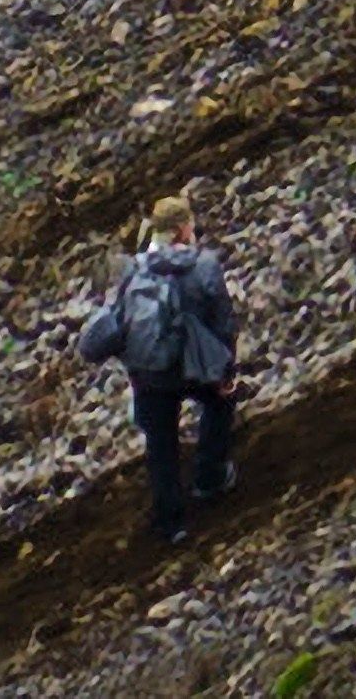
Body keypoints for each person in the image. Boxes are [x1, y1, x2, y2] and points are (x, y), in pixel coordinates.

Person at [72, 191, 242, 547]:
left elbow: (119, 319)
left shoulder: (133, 269)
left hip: (149, 374)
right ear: (183, 229)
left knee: (160, 444)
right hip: (196, 368)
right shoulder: (205, 265)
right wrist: (226, 370)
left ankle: (171, 523)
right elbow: (223, 322)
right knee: (220, 404)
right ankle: (210, 478)